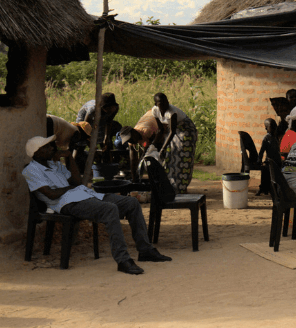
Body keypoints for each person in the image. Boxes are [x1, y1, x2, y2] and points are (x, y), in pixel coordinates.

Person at [21, 135, 172, 274]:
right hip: (67, 203)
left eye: (50, 146)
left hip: (86, 195)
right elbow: (51, 194)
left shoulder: (54, 164)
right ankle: (123, 260)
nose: (52, 148)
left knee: (131, 202)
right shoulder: (31, 170)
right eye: (46, 147)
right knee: (110, 210)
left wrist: (68, 158)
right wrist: (71, 188)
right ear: (36, 152)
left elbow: (77, 181)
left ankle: (145, 250)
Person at [121, 93, 198, 194]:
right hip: (170, 130)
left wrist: (161, 149)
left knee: (181, 157)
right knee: (170, 158)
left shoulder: (171, 112)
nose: (165, 105)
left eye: (166, 102)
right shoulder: (155, 111)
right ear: (156, 104)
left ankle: (181, 187)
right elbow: (161, 129)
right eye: (161, 103)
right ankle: (173, 187)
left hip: (186, 131)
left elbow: (172, 132)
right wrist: (135, 179)